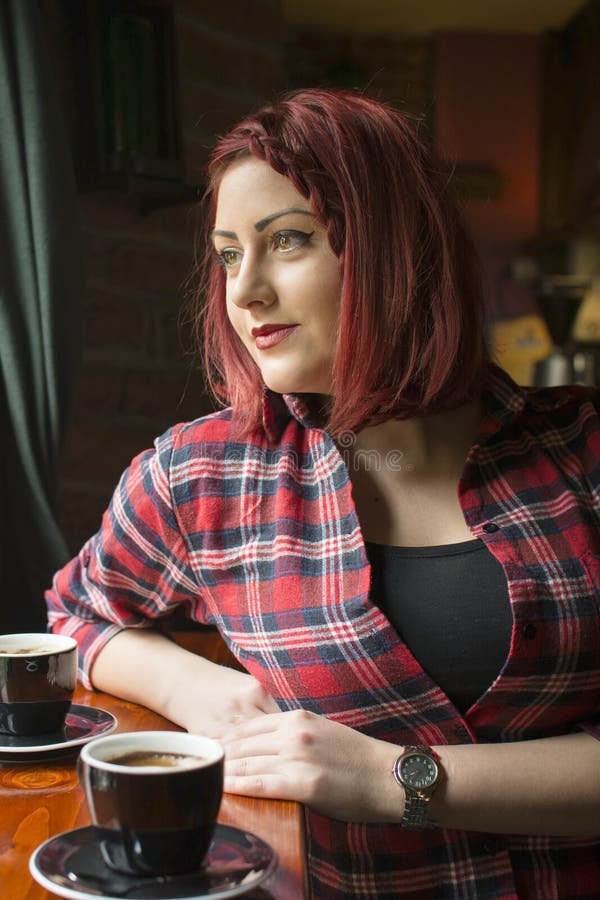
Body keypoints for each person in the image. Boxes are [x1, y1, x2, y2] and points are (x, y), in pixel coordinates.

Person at [46, 89, 600, 899]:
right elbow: (76, 617)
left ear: (397, 248)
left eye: (288, 241)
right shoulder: (197, 477)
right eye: (230, 254)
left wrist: (394, 780)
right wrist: (197, 687)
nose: (246, 293)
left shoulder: (582, 453)